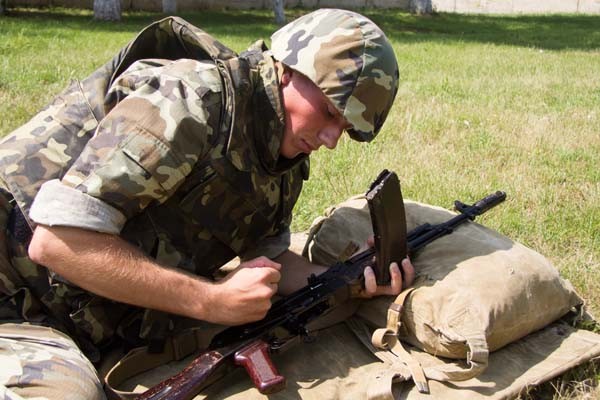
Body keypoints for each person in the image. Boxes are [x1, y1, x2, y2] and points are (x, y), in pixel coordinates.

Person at [0, 8, 414, 400]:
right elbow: (56, 242)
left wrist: (345, 278)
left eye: (345, 127)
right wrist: (211, 301)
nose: (331, 139)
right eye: (328, 112)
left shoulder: (281, 157)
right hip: (15, 297)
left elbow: (270, 258)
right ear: (288, 70)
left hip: (81, 317)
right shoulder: (189, 104)